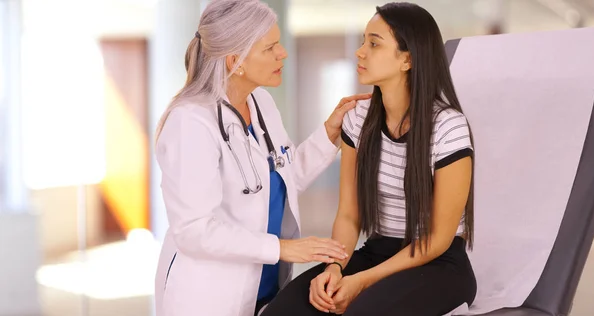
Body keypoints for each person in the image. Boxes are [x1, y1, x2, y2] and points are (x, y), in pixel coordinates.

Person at [152, 1, 371, 316]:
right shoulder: (190, 122)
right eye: (270, 48)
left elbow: (284, 174)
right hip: (208, 297)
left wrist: (330, 132)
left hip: (264, 289)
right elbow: (194, 230)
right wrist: (284, 249)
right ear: (235, 61)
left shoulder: (261, 103)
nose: (282, 53)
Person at [261, 2, 477, 316]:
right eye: (363, 41)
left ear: (408, 59)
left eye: (374, 44)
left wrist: (362, 281)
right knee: (284, 311)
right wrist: (334, 268)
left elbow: (438, 239)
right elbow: (350, 215)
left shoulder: (448, 127)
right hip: (374, 252)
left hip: (438, 263)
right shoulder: (358, 119)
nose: (360, 52)